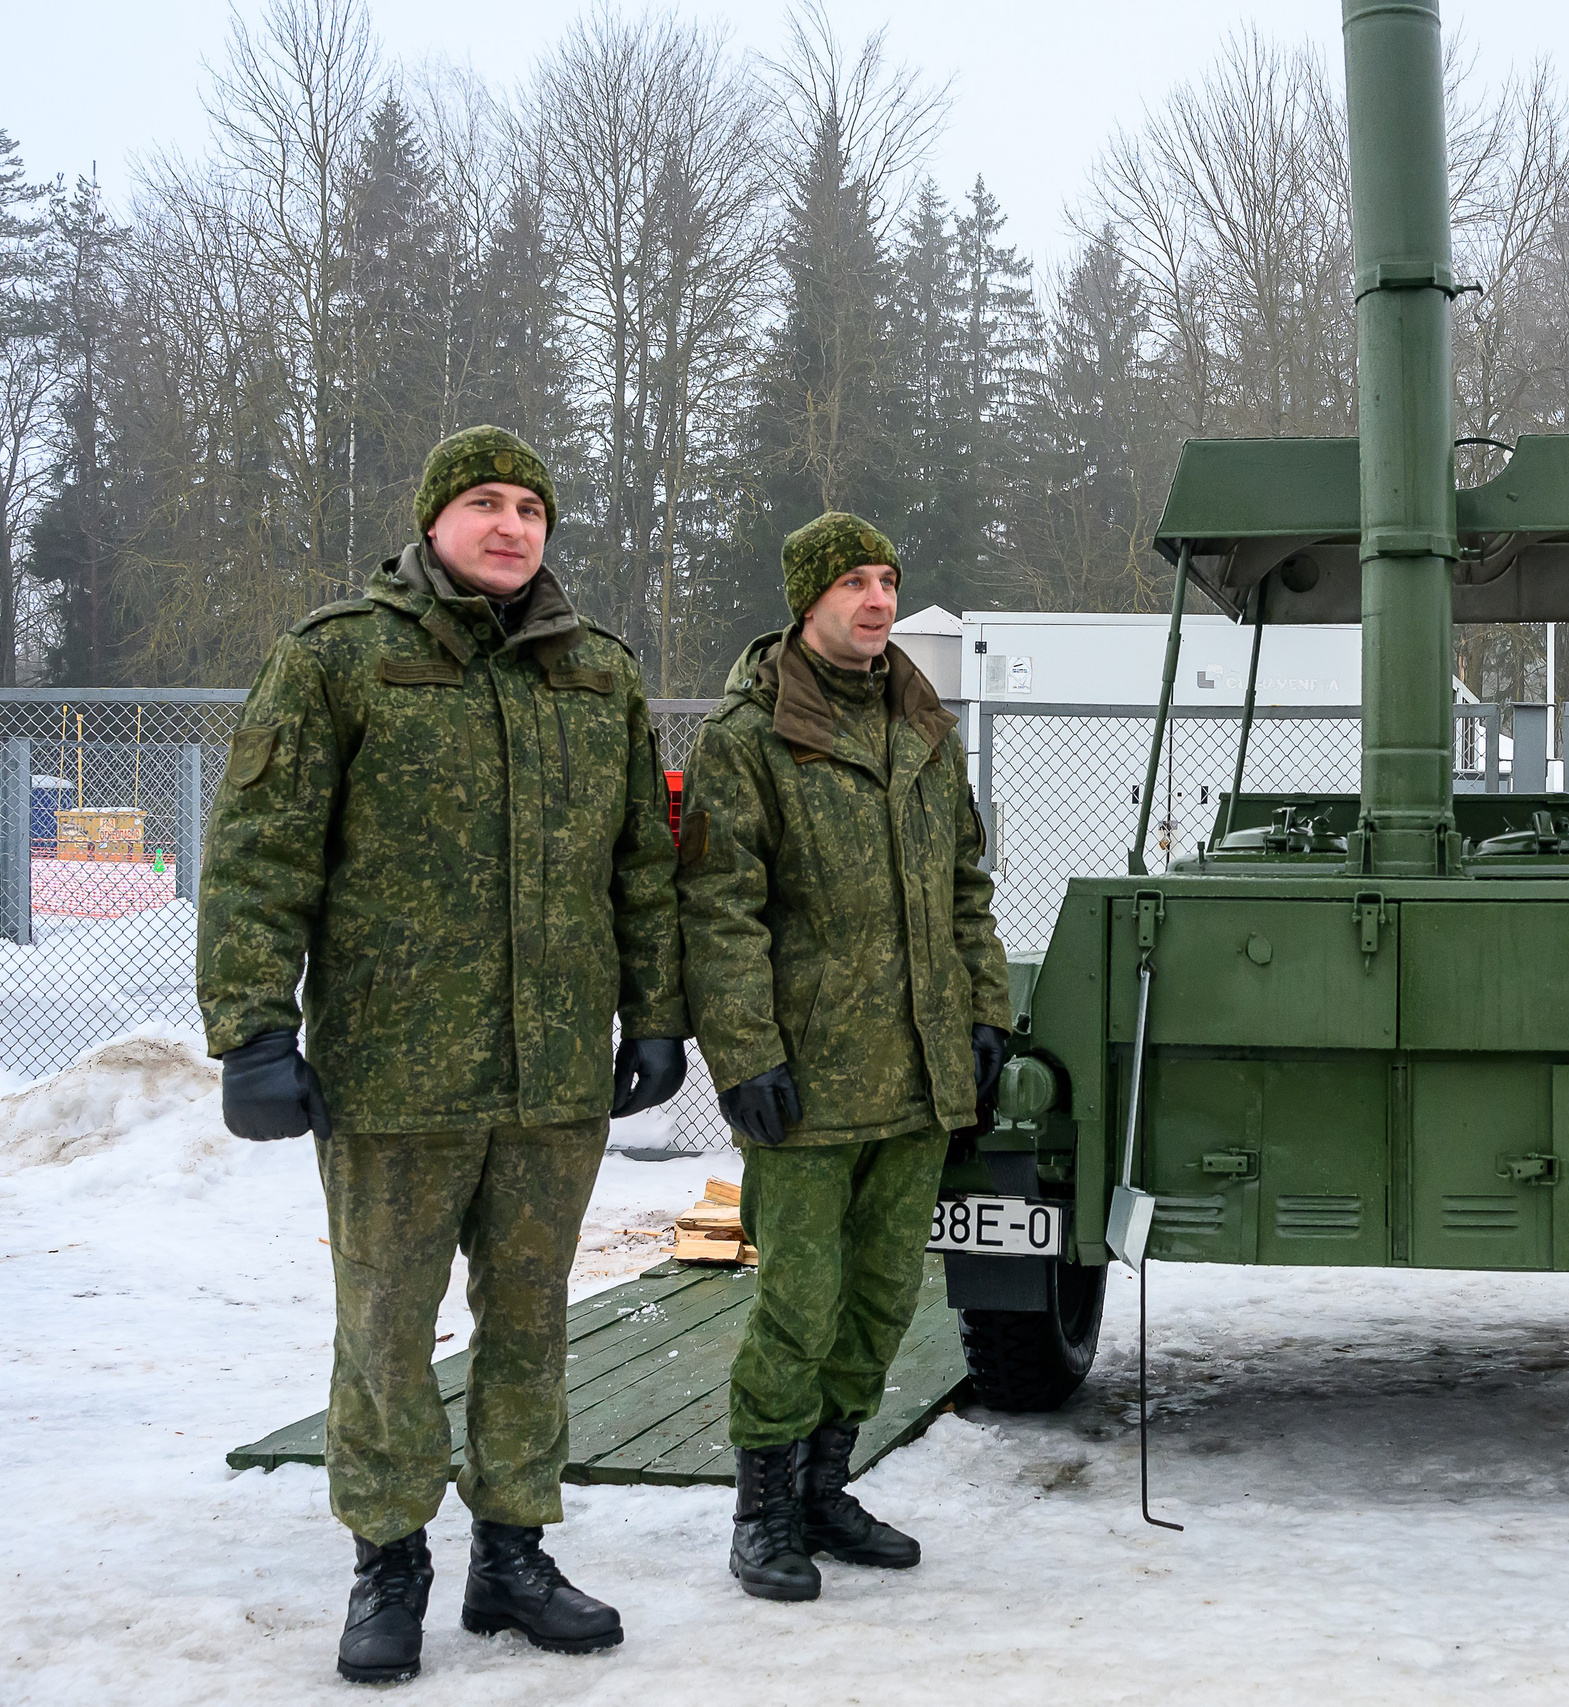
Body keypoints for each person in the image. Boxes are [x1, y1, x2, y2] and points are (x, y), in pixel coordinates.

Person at [196, 426, 689, 1683]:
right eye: (485, 502)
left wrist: (655, 1013)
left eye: (531, 506)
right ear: (432, 521)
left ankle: (512, 1554)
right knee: (385, 1326)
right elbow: (260, 857)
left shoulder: (598, 677)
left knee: (530, 1323)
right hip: (392, 1077)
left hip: (551, 1078)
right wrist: (253, 1031)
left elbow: (641, 869)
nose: (512, 525)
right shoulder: (339, 662)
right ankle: (390, 1559)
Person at [676, 512, 1009, 1601]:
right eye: (854, 583)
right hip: (809, 1086)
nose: (876, 600)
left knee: (878, 1303)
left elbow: (966, 886)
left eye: (887, 581)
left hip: (915, 1078)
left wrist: (984, 1015)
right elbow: (721, 913)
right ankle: (763, 1509)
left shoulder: (921, 725)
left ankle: (826, 1487)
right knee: (798, 1305)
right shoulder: (749, 738)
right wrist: (743, 1055)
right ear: (806, 600)